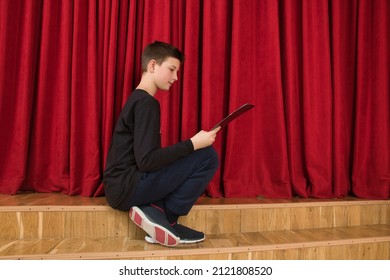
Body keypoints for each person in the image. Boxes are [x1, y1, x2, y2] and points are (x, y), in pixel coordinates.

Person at [103, 41, 220, 247]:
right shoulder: (147, 103)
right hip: (128, 188)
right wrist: (193, 144)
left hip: (120, 188)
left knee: (194, 153)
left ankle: (155, 212)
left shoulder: (137, 100)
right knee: (207, 156)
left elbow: (145, 159)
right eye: (172, 69)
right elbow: (147, 161)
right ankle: (167, 217)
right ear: (153, 66)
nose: (175, 78)